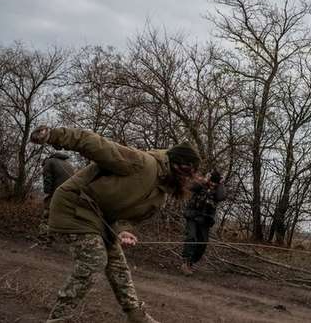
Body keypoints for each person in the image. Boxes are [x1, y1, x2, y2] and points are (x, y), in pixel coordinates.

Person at [29, 126, 202, 323]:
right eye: (190, 174)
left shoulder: (159, 195)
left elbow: (127, 217)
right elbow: (96, 144)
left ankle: (136, 316)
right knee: (94, 261)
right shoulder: (142, 163)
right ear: (179, 167)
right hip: (75, 204)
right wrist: (54, 135)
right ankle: (58, 319)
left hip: (100, 217)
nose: (189, 181)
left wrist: (124, 231)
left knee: (118, 266)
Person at [180, 170, 226, 275]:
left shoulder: (218, 190)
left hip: (205, 220)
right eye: (211, 182)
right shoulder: (201, 185)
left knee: (202, 244)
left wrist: (221, 184)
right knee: (191, 237)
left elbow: (221, 197)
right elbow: (191, 187)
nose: (213, 184)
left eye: (215, 183)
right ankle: (185, 263)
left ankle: (191, 263)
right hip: (192, 216)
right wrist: (204, 180)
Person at [39, 151, 75, 242]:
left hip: (57, 192)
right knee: (65, 217)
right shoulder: (68, 164)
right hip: (70, 194)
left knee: (47, 214)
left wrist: (47, 192)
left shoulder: (49, 162)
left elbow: (47, 179)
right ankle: (69, 239)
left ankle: (44, 237)